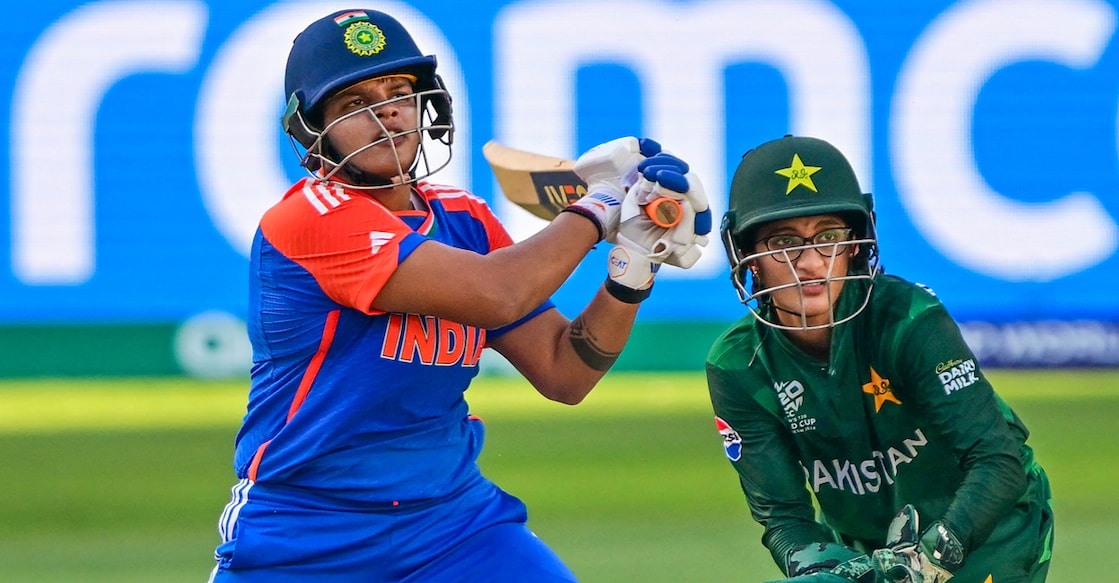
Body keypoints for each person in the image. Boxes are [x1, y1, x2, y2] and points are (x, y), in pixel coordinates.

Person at [206, 8, 710, 583]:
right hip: (307, 531)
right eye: (354, 104)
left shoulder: (463, 218)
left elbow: (564, 372)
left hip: (452, 524)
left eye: (398, 92)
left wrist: (632, 270)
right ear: (311, 131)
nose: (387, 113)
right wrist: (599, 205)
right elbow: (498, 293)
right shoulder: (308, 218)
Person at [705, 135, 1054, 582]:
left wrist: (930, 559)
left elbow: (996, 461)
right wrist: (824, 566)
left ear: (857, 242)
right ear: (748, 256)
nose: (810, 263)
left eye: (829, 236)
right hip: (869, 551)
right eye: (783, 242)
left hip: (988, 532)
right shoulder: (738, 365)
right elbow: (783, 517)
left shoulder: (908, 321)